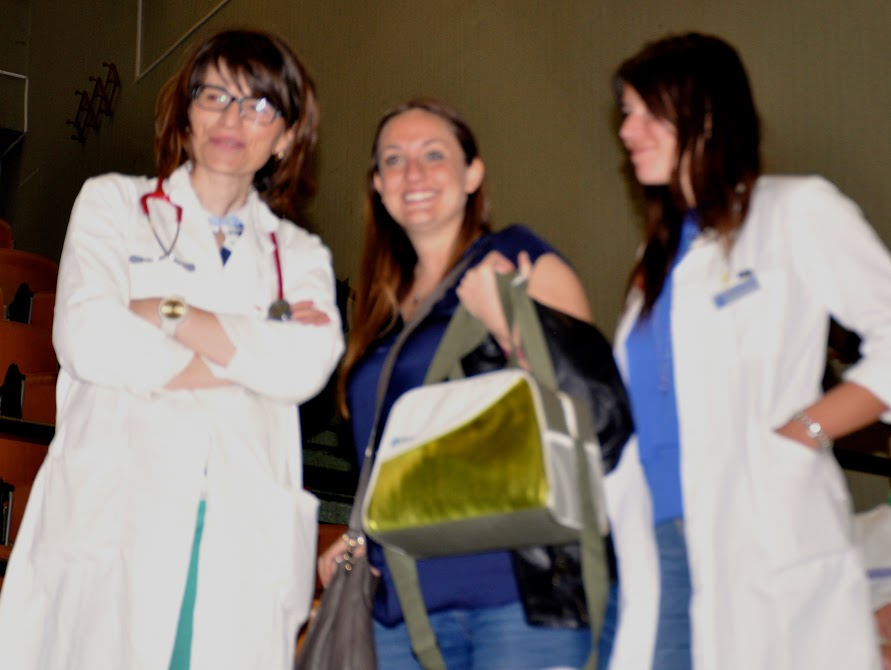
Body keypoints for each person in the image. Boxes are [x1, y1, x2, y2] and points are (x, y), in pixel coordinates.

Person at [0, 29, 344, 669]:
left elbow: (304, 364)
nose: (231, 118)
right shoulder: (111, 206)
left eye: (258, 103)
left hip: (240, 536)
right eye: (213, 95)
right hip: (117, 521)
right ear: (185, 114)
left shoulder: (297, 256)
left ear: (287, 136)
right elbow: (87, 335)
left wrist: (166, 311)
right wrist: (249, 353)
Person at [604, 32, 891, 669]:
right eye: (626, 113)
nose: (627, 131)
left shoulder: (796, 211)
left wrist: (803, 431)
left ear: (706, 116)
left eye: (648, 113)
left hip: (761, 533)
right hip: (658, 535)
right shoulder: (656, 261)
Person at [316, 98, 612, 670]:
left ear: (473, 174)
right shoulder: (382, 312)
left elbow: (597, 410)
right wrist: (359, 535)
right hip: (401, 604)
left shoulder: (518, 260)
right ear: (377, 185)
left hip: (520, 596)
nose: (413, 173)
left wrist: (508, 324)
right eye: (394, 160)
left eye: (434, 155)